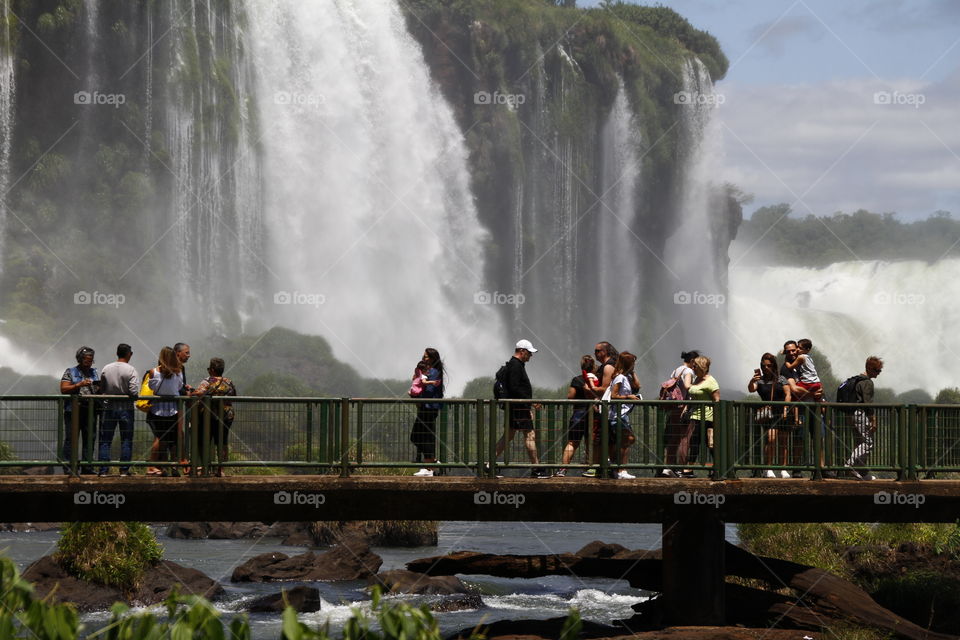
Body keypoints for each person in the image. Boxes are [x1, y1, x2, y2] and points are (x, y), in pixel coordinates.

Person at [494, 339, 546, 478]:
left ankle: (489, 465)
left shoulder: (514, 364)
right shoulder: (516, 366)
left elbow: (514, 388)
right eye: (529, 353)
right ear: (522, 351)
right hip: (518, 408)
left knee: (508, 436)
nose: (531, 356)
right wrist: (530, 402)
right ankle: (536, 468)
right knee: (530, 435)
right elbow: (514, 387)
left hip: (516, 407)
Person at [589, 351, 638, 479]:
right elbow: (613, 395)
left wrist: (632, 372)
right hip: (618, 415)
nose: (635, 365)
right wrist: (629, 397)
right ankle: (619, 469)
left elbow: (638, 385)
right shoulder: (620, 377)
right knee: (628, 440)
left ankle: (616, 466)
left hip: (621, 414)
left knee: (624, 441)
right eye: (633, 363)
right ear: (629, 363)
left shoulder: (624, 376)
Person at [556, 355, 603, 477]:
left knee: (572, 442)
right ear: (593, 366)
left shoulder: (577, 380)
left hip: (578, 413)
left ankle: (562, 469)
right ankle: (589, 468)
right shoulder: (597, 380)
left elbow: (570, 397)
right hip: (594, 414)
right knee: (590, 442)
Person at [97, 344, 139, 476]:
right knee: (126, 439)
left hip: (108, 407)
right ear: (129, 354)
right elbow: (133, 391)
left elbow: (102, 388)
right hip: (126, 408)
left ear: (117, 353)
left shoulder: (106, 368)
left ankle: (103, 470)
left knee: (105, 440)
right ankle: (124, 470)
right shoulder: (131, 370)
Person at [747, 353, 792, 478]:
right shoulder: (760, 380)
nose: (766, 368)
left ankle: (784, 469)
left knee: (783, 442)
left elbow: (788, 394)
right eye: (763, 365)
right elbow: (751, 389)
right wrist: (752, 380)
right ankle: (769, 468)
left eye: (769, 365)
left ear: (773, 366)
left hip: (782, 413)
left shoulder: (781, 379)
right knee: (771, 439)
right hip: (769, 414)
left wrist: (786, 408)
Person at [191, 357, 237, 477]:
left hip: (209, 417)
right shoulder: (229, 381)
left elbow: (198, 393)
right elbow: (234, 394)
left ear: (211, 369)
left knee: (203, 440)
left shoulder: (207, 381)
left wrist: (191, 392)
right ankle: (220, 469)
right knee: (222, 441)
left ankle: (204, 466)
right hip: (227, 416)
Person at [59, 346, 101, 474]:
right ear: (80, 359)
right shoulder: (70, 371)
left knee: (90, 438)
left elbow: (98, 388)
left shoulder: (94, 372)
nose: (89, 363)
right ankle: (69, 467)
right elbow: (63, 389)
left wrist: (99, 388)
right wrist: (79, 385)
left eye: (91, 360)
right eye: (87, 360)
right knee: (71, 438)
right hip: (73, 410)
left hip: (90, 409)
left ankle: (87, 467)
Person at [843, 356, 884, 480]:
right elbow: (867, 403)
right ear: (870, 368)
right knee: (868, 442)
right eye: (877, 370)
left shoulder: (856, 380)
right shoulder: (866, 382)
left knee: (859, 443)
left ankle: (860, 472)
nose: (878, 374)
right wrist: (873, 420)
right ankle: (849, 466)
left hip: (851, 415)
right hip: (860, 415)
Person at [147, 346, 185, 476]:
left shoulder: (153, 372)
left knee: (160, 438)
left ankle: (158, 467)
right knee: (174, 440)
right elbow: (179, 387)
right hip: (173, 410)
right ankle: (174, 466)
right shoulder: (179, 372)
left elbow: (151, 387)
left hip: (157, 410)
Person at [661, 350, 698, 478]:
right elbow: (688, 388)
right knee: (684, 439)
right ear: (693, 361)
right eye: (696, 362)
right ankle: (683, 468)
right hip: (684, 408)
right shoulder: (688, 372)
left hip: (674, 407)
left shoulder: (676, 370)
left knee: (674, 438)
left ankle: (668, 467)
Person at [685, 355, 721, 478]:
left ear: (701, 367)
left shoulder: (711, 381)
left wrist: (716, 420)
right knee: (695, 442)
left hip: (707, 418)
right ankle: (690, 469)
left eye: (695, 366)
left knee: (708, 443)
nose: (693, 368)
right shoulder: (697, 379)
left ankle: (716, 468)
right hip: (695, 416)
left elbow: (717, 400)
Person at [410, 348, 445, 477]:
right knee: (424, 436)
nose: (424, 359)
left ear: (432, 358)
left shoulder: (434, 372)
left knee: (418, 436)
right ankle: (431, 464)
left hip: (429, 408)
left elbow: (428, 390)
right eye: (424, 356)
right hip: (427, 407)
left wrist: (416, 396)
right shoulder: (430, 372)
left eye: (427, 357)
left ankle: (429, 466)